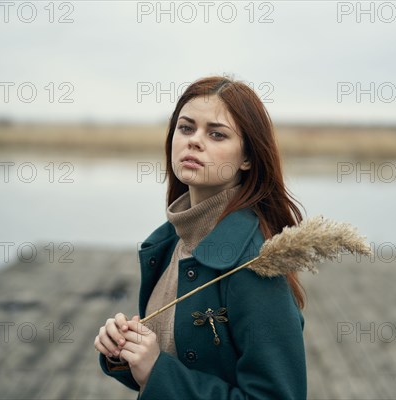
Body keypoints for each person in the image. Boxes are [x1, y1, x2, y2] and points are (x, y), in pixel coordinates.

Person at [94, 76, 307, 399]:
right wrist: (124, 352)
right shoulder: (168, 245)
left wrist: (157, 370)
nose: (194, 141)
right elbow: (169, 360)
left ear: (247, 157)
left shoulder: (255, 264)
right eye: (186, 128)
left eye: (217, 134)